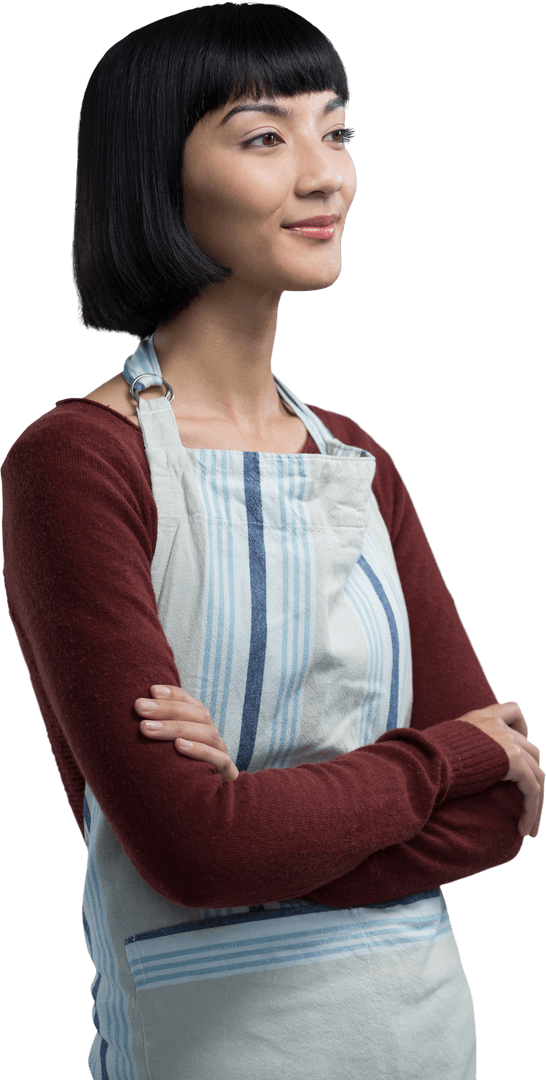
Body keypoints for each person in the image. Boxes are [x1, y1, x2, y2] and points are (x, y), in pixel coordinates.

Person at [1, 5, 543, 1079]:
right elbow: (195, 849)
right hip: (217, 1042)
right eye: (264, 137)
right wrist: (449, 757)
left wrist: (257, 822)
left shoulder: (356, 456)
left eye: (337, 133)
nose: (325, 176)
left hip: (425, 1027)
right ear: (156, 175)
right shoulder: (74, 463)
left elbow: (498, 817)